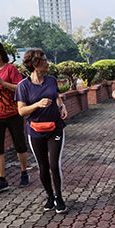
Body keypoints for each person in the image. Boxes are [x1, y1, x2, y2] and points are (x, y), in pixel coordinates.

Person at [16, 49, 68, 213]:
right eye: (44, 60)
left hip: (55, 128)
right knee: (43, 166)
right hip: (35, 131)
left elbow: (57, 96)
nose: (47, 62)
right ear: (34, 64)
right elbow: (21, 111)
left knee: (54, 164)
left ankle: (59, 196)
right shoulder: (23, 86)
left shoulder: (51, 80)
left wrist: (62, 105)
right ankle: (49, 196)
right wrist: (37, 104)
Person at [0, 41, 29, 192]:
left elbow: (21, 88)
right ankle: (2, 179)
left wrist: (3, 82)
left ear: (1, 52)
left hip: (13, 113)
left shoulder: (10, 69)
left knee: (19, 144)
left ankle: (24, 172)